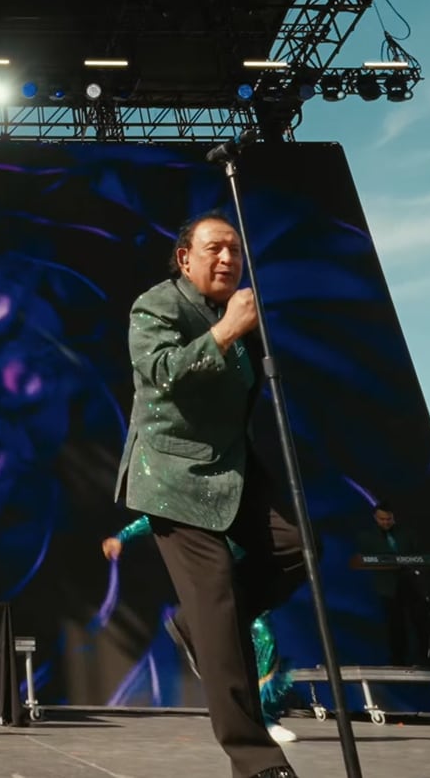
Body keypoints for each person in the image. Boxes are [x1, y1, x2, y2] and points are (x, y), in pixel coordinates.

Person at [114, 212, 304, 778]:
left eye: (235, 251)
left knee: (296, 552)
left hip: (232, 469)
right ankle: (255, 761)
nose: (227, 259)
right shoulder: (158, 305)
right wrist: (225, 333)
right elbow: (159, 371)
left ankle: (200, 625)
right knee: (217, 594)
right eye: (215, 248)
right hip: (171, 474)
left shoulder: (237, 315)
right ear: (185, 258)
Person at [103, 515, 296, 742]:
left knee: (265, 638)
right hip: (215, 580)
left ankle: (265, 718)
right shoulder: (194, 504)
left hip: (248, 579)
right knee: (229, 644)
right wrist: (122, 537)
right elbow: (158, 514)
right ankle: (188, 627)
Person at [349, 504, 429, 665]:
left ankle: (426, 657)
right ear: (375, 518)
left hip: (411, 583)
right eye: (382, 519)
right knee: (395, 624)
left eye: (389, 519)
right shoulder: (367, 536)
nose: (386, 522)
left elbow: (420, 556)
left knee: (421, 620)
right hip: (387, 587)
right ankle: (398, 659)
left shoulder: (406, 534)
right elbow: (359, 560)